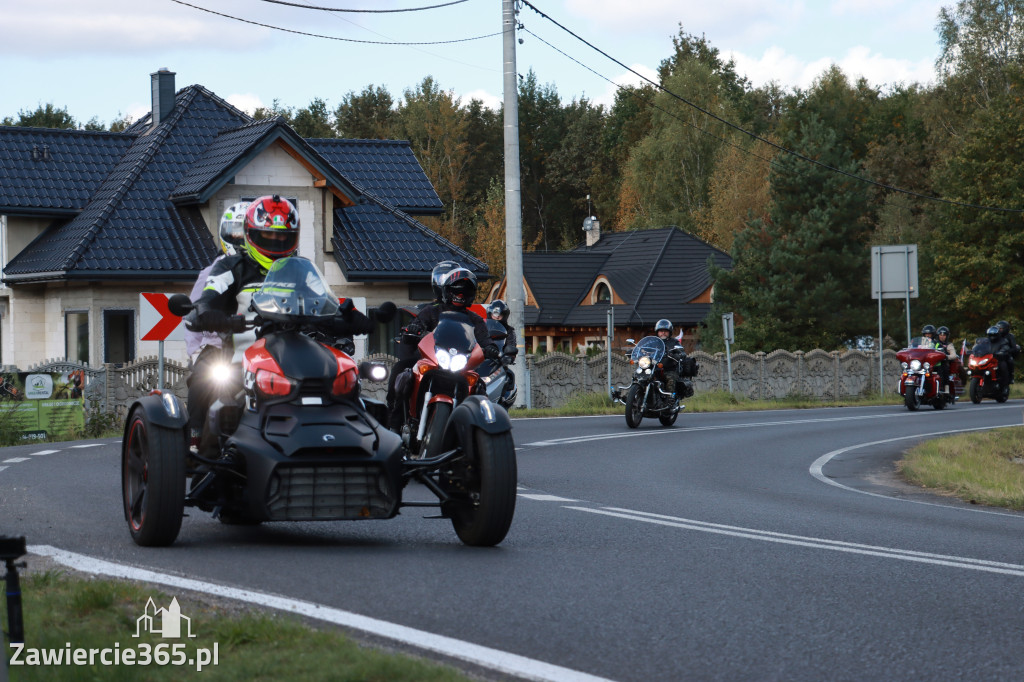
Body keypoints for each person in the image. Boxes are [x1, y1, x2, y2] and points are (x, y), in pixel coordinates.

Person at [189, 195, 373, 456]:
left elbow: (325, 302)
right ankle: (199, 450)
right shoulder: (231, 268)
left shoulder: (302, 271)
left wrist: (350, 318)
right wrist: (208, 313)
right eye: (268, 236)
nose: (275, 242)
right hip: (241, 363)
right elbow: (207, 298)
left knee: (348, 388)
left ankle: (362, 447)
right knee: (211, 390)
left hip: (296, 355)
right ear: (251, 235)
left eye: (282, 237)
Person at [387, 266, 500, 430]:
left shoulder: (474, 319)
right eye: (456, 290)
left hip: (459, 364)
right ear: (447, 290)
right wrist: (413, 329)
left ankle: (482, 432)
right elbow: (417, 324)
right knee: (402, 371)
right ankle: (394, 425)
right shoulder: (432, 310)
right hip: (432, 359)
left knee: (479, 386)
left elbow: (484, 338)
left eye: (465, 291)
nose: (460, 295)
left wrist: (491, 348)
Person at [185, 201, 248, 452]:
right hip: (216, 346)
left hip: (260, 344)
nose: (241, 238)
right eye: (236, 232)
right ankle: (195, 437)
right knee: (202, 380)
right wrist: (198, 351)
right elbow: (194, 312)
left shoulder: (272, 269)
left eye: (246, 231)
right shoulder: (213, 270)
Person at [487, 299, 518, 403]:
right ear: (490, 313)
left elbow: (511, 344)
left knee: (509, 376)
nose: (497, 316)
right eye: (494, 313)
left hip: (499, 362)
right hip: (481, 361)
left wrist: (508, 356)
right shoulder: (481, 328)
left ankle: (503, 401)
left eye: (500, 314)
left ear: (505, 315)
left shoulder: (509, 331)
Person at [654, 318, 684, 398]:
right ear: (657, 332)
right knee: (639, 377)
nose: (663, 333)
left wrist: (677, 354)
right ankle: (634, 397)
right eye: (661, 331)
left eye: (665, 331)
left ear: (669, 332)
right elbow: (644, 348)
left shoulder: (674, 342)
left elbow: (681, 352)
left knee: (670, 379)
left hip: (668, 369)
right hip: (653, 368)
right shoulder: (653, 342)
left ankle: (670, 399)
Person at [985, 325, 1012, 394]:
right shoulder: (985, 341)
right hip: (987, 360)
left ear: (998, 334)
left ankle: (1005, 385)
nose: (992, 336)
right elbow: (978, 347)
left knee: (1003, 366)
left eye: (994, 335)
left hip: (998, 359)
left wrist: (1002, 351)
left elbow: (1006, 347)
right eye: (990, 335)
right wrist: (974, 351)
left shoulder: (1003, 340)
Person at [935, 326, 958, 398]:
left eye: (944, 335)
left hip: (943, 363)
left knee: (943, 370)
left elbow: (954, 355)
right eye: (940, 335)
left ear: (947, 336)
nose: (942, 337)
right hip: (933, 363)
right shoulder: (933, 343)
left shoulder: (949, 345)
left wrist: (946, 357)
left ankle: (945, 390)